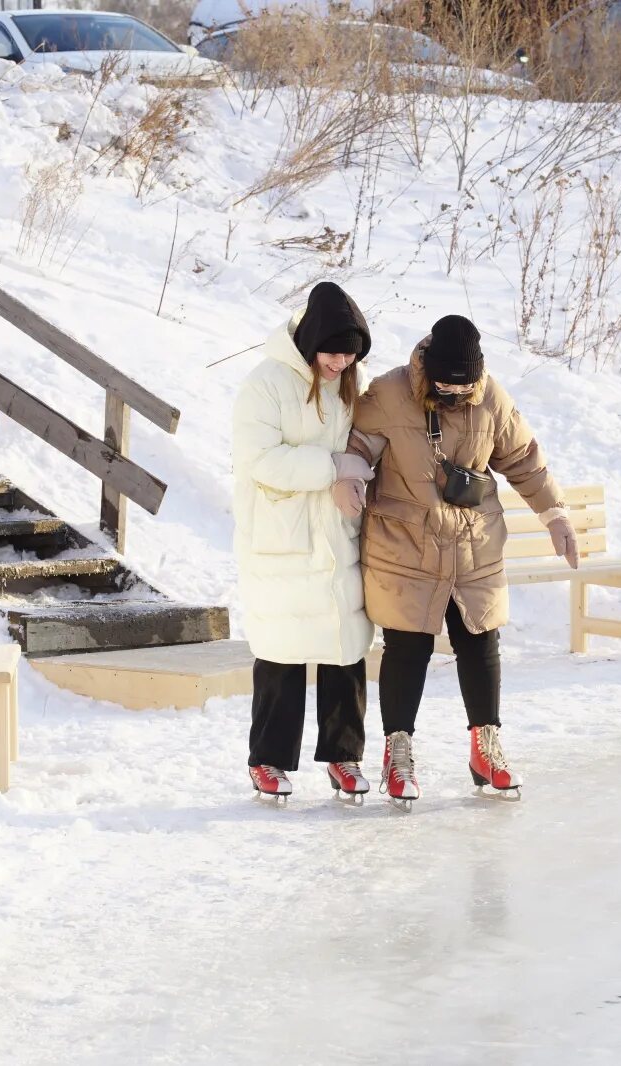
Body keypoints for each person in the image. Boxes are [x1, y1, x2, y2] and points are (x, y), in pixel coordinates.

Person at [340, 315, 578, 806]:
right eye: (444, 385)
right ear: (428, 367)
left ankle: (485, 747)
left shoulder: (490, 396)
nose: (452, 393)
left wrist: (555, 513)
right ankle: (397, 751)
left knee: (480, 641)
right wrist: (350, 475)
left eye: (462, 386)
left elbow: (524, 457)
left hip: (474, 546)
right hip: (406, 546)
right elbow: (358, 441)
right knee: (408, 648)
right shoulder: (388, 393)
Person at [232, 281, 377, 803]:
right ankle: (267, 759)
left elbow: (362, 445)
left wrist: (357, 475)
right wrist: (332, 468)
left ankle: (343, 755)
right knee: (282, 648)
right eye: (334, 352)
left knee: (345, 645)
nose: (341, 363)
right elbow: (259, 458)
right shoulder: (267, 383)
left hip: (336, 533)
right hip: (282, 533)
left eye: (351, 355)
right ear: (311, 339)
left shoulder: (347, 384)